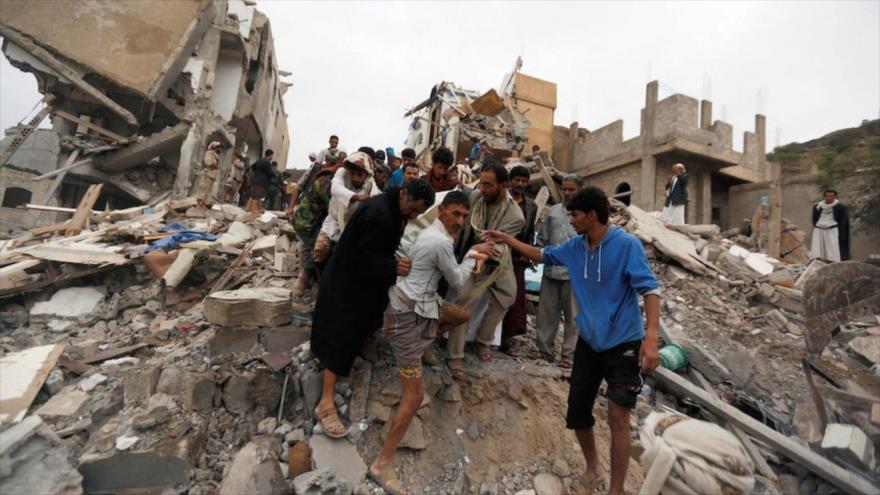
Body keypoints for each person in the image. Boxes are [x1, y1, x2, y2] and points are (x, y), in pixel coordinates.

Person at [483, 186, 660, 495]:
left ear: (592, 215)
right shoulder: (576, 247)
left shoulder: (626, 245)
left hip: (624, 343)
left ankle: (616, 489)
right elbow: (542, 254)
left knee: (619, 417)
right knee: (577, 411)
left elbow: (650, 290)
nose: (571, 220)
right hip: (589, 343)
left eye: (575, 215)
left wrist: (652, 338)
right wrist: (508, 240)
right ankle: (593, 468)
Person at [369, 191, 488, 493]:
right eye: (456, 214)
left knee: (462, 314)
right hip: (406, 316)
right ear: (442, 212)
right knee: (414, 397)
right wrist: (474, 256)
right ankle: (381, 464)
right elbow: (460, 282)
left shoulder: (432, 233)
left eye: (464, 215)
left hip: (422, 303)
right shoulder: (440, 242)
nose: (460, 221)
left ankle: (425, 343)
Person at [311, 180, 436, 438]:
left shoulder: (394, 210)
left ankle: (358, 350)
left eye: (418, 213)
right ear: (404, 193)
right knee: (340, 337)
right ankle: (325, 403)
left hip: (362, 284)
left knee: (360, 326)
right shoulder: (379, 214)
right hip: (347, 284)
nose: (414, 216)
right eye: (414, 209)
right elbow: (362, 257)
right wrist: (393, 267)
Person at [445, 158, 524, 379]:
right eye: (481, 183)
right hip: (473, 252)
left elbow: (494, 244)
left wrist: (483, 246)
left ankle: (483, 339)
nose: (483, 189)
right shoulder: (475, 197)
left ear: (504, 186)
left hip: (498, 257)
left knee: (508, 294)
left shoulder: (515, 215)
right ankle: (455, 354)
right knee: (463, 296)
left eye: (489, 185)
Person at [533, 174, 582, 368]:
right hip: (551, 271)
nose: (567, 193)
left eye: (572, 189)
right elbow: (543, 239)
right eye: (565, 189)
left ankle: (569, 355)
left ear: (579, 190)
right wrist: (535, 255)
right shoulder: (553, 211)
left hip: (575, 275)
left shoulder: (585, 214)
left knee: (573, 317)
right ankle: (544, 349)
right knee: (546, 313)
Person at [313, 152, 380, 263]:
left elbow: (376, 201)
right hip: (333, 221)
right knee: (320, 250)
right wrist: (357, 197)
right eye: (353, 173)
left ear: (367, 174)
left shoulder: (371, 185)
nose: (355, 178)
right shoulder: (342, 173)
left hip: (352, 227)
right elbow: (335, 188)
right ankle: (312, 276)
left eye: (359, 175)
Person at [500, 165, 537, 356]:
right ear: (510, 180)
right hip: (498, 254)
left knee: (514, 301)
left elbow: (529, 232)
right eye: (517, 180)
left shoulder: (531, 205)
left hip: (517, 258)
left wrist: (527, 253)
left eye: (524, 181)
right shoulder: (502, 199)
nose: (520, 184)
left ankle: (506, 339)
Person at [291, 157, 339, 297]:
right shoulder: (326, 183)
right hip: (307, 222)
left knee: (309, 248)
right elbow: (333, 207)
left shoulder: (326, 179)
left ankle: (305, 281)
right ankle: (309, 281)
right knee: (318, 250)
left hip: (308, 221)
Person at [811, 189, 850, 261]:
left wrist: (841, 233)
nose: (829, 198)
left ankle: (833, 261)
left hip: (832, 229)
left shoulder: (840, 207)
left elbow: (843, 221)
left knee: (832, 248)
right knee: (818, 249)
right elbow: (814, 219)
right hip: (819, 229)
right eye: (827, 196)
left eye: (832, 196)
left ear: (835, 197)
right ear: (824, 197)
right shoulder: (817, 207)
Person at [195, 141, 222, 208]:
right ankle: (198, 205)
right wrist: (216, 166)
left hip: (212, 176)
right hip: (207, 174)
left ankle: (203, 205)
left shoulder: (216, 155)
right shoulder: (209, 153)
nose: (220, 149)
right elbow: (209, 163)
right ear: (215, 147)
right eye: (219, 147)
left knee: (208, 192)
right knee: (203, 190)